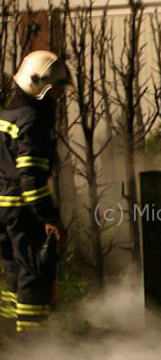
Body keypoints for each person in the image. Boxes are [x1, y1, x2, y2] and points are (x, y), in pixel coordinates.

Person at [0, 50, 72, 336]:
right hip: (23, 210)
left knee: (13, 270)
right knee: (33, 273)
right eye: (56, 89)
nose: (58, 95)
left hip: (3, 210)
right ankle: (33, 342)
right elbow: (31, 179)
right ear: (39, 85)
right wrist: (50, 217)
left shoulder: (7, 115)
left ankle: (9, 335)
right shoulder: (32, 121)